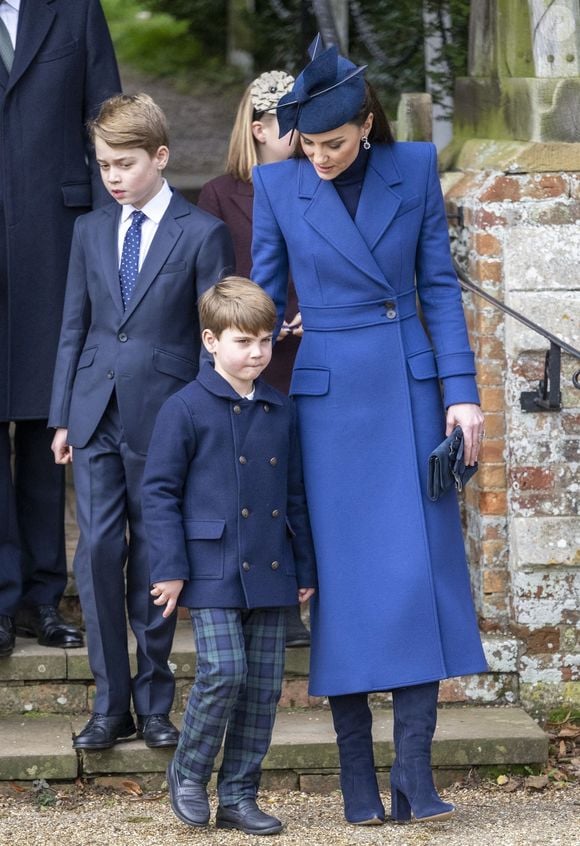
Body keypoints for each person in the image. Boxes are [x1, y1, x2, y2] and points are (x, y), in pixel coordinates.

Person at [251, 37, 488, 826]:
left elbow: (440, 289)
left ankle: (414, 780)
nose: (320, 157)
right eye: (309, 144)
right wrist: (238, 378)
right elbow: (260, 298)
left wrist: (463, 395)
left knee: (416, 581)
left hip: (410, 390)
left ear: (367, 123)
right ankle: (358, 784)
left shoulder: (414, 168)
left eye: (336, 142)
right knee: (349, 590)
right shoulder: (279, 187)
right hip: (326, 408)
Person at [48, 93, 234, 751]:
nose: (114, 178)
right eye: (103, 166)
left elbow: (215, 336)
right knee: (97, 552)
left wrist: (208, 422)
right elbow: (75, 326)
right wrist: (62, 415)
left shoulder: (202, 233)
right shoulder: (90, 230)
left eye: (125, 164)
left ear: (160, 156)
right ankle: (111, 706)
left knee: (156, 556)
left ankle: (156, 705)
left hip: (167, 419)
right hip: (95, 413)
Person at [141, 277, 317, 836]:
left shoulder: (280, 409)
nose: (258, 353)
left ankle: (239, 794)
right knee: (224, 670)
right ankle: (189, 773)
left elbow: (295, 496)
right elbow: (159, 492)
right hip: (209, 568)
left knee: (264, 687)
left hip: (270, 568)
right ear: (211, 341)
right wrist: (169, 569)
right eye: (244, 342)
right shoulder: (184, 407)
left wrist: (305, 570)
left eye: (265, 341)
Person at [0, 0, 121, 658]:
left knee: (53, 424)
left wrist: (110, 237)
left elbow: (110, 120)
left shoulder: (74, 10)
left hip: (58, 241)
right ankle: (0, 597)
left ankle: (43, 599)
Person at [198, 70, 310, 648]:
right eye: (290, 123)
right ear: (261, 128)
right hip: (252, 349)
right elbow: (225, 272)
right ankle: (263, 597)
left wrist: (307, 312)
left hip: (307, 349)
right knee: (258, 475)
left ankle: (303, 588)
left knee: (302, 475)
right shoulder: (222, 192)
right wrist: (253, 325)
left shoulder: (319, 179)